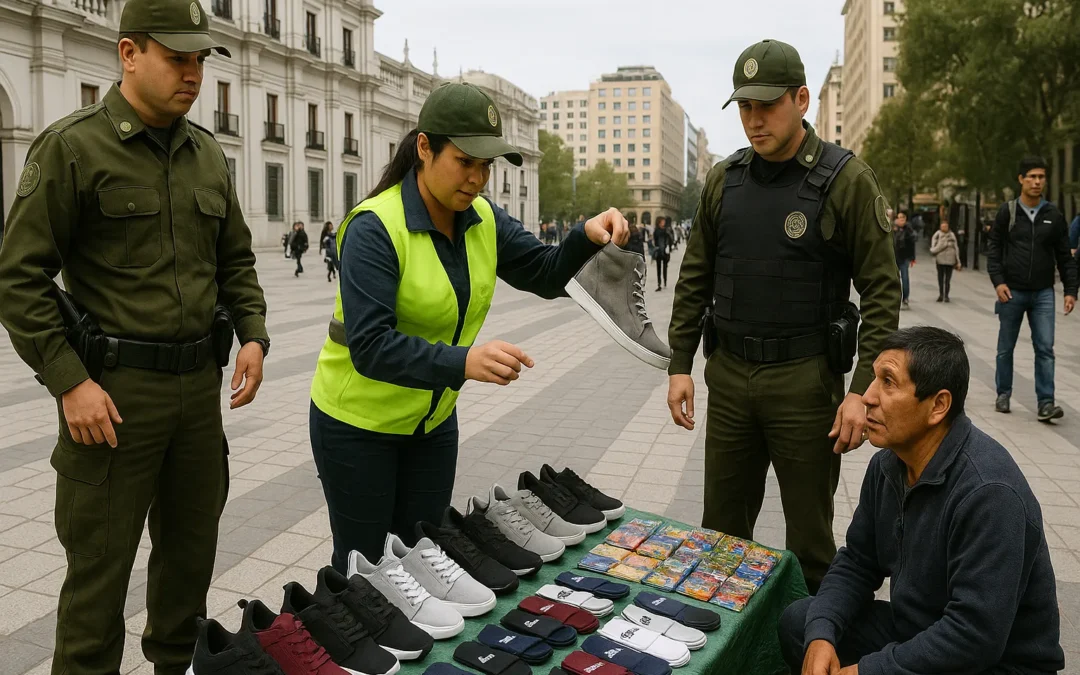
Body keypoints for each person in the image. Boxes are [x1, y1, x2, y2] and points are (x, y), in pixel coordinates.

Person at [0, 1, 270, 671]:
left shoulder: (206, 154)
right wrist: (70, 382)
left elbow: (234, 258)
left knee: (187, 569)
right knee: (97, 586)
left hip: (194, 399)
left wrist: (255, 334)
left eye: (200, 60)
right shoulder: (73, 146)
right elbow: (18, 277)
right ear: (128, 53)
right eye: (177, 58)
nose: (193, 74)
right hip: (112, 403)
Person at [308, 81, 629, 568]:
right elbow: (370, 346)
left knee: (424, 560)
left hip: (432, 425)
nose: (478, 178)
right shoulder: (374, 227)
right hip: (357, 427)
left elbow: (542, 273)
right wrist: (465, 362)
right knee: (364, 571)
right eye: (465, 161)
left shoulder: (482, 218)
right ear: (424, 147)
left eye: (487, 165)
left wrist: (584, 237)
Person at [666, 39, 901, 592]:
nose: (754, 119)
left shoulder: (846, 180)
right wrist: (680, 363)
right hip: (730, 381)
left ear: (801, 100)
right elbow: (695, 275)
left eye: (767, 105)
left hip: (807, 386)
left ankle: (810, 648)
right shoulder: (725, 180)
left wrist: (861, 392)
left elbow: (882, 294)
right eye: (744, 107)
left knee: (811, 547)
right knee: (719, 539)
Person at [779, 326, 1064, 675]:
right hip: (918, 629)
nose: (867, 397)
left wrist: (867, 670)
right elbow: (857, 562)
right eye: (873, 378)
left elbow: (974, 636)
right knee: (802, 622)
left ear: (938, 406)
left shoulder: (989, 491)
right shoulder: (887, 464)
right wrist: (821, 634)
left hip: (996, 662)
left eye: (888, 382)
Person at [987, 155, 1077, 421]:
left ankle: (1046, 403)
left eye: (1041, 177)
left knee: (1045, 348)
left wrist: (1071, 290)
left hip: (1043, 293)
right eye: (1032, 177)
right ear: (1021, 180)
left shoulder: (1054, 215)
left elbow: (1064, 256)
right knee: (1006, 347)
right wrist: (998, 281)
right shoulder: (1008, 211)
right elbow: (993, 249)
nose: (1037, 182)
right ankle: (1003, 394)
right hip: (1011, 291)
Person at [929, 220, 959, 302]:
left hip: (950, 260)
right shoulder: (937, 234)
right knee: (940, 278)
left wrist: (958, 261)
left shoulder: (952, 235)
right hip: (940, 260)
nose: (944, 228)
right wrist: (942, 245)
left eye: (945, 226)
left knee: (948, 279)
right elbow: (933, 247)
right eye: (942, 226)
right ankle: (941, 294)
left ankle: (946, 295)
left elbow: (956, 248)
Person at [893, 211, 916, 309]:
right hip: (894, 258)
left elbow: (912, 243)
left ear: (905, 219)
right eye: (899, 218)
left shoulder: (908, 229)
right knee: (894, 279)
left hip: (905, 258)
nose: (900, 220)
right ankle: (895, 298)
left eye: (902, 218)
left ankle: (905, 298)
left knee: (905, 278)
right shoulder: (893, 229)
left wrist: (913, 258)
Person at [652, 217, 672, 291]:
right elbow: (655, 240)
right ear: (659, 222)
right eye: (662, 221)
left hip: (664, 250)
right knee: (659, 268)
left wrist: (668, 247)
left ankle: (665, 281)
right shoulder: (657, 231)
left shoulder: (666, 230)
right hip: (659, 250)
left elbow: (670, 239)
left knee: (665, 267)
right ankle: (659, 283)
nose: (664, 222)